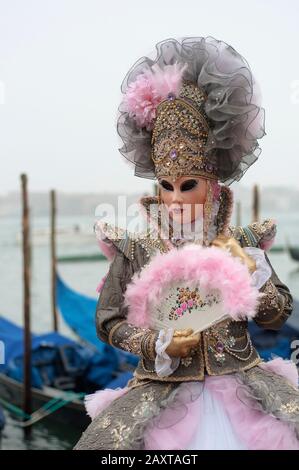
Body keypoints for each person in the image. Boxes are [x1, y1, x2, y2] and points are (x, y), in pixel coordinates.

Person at [74, 37, 299, 450]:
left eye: (188, 185)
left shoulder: (243, 241)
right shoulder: (137, 249)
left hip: (244, 391)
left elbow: (277, 316)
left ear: (212, 185)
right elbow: (108, 322)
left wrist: (250, 271)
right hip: (164, 395)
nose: (175, 199)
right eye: (166, 186)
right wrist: (158, 343)